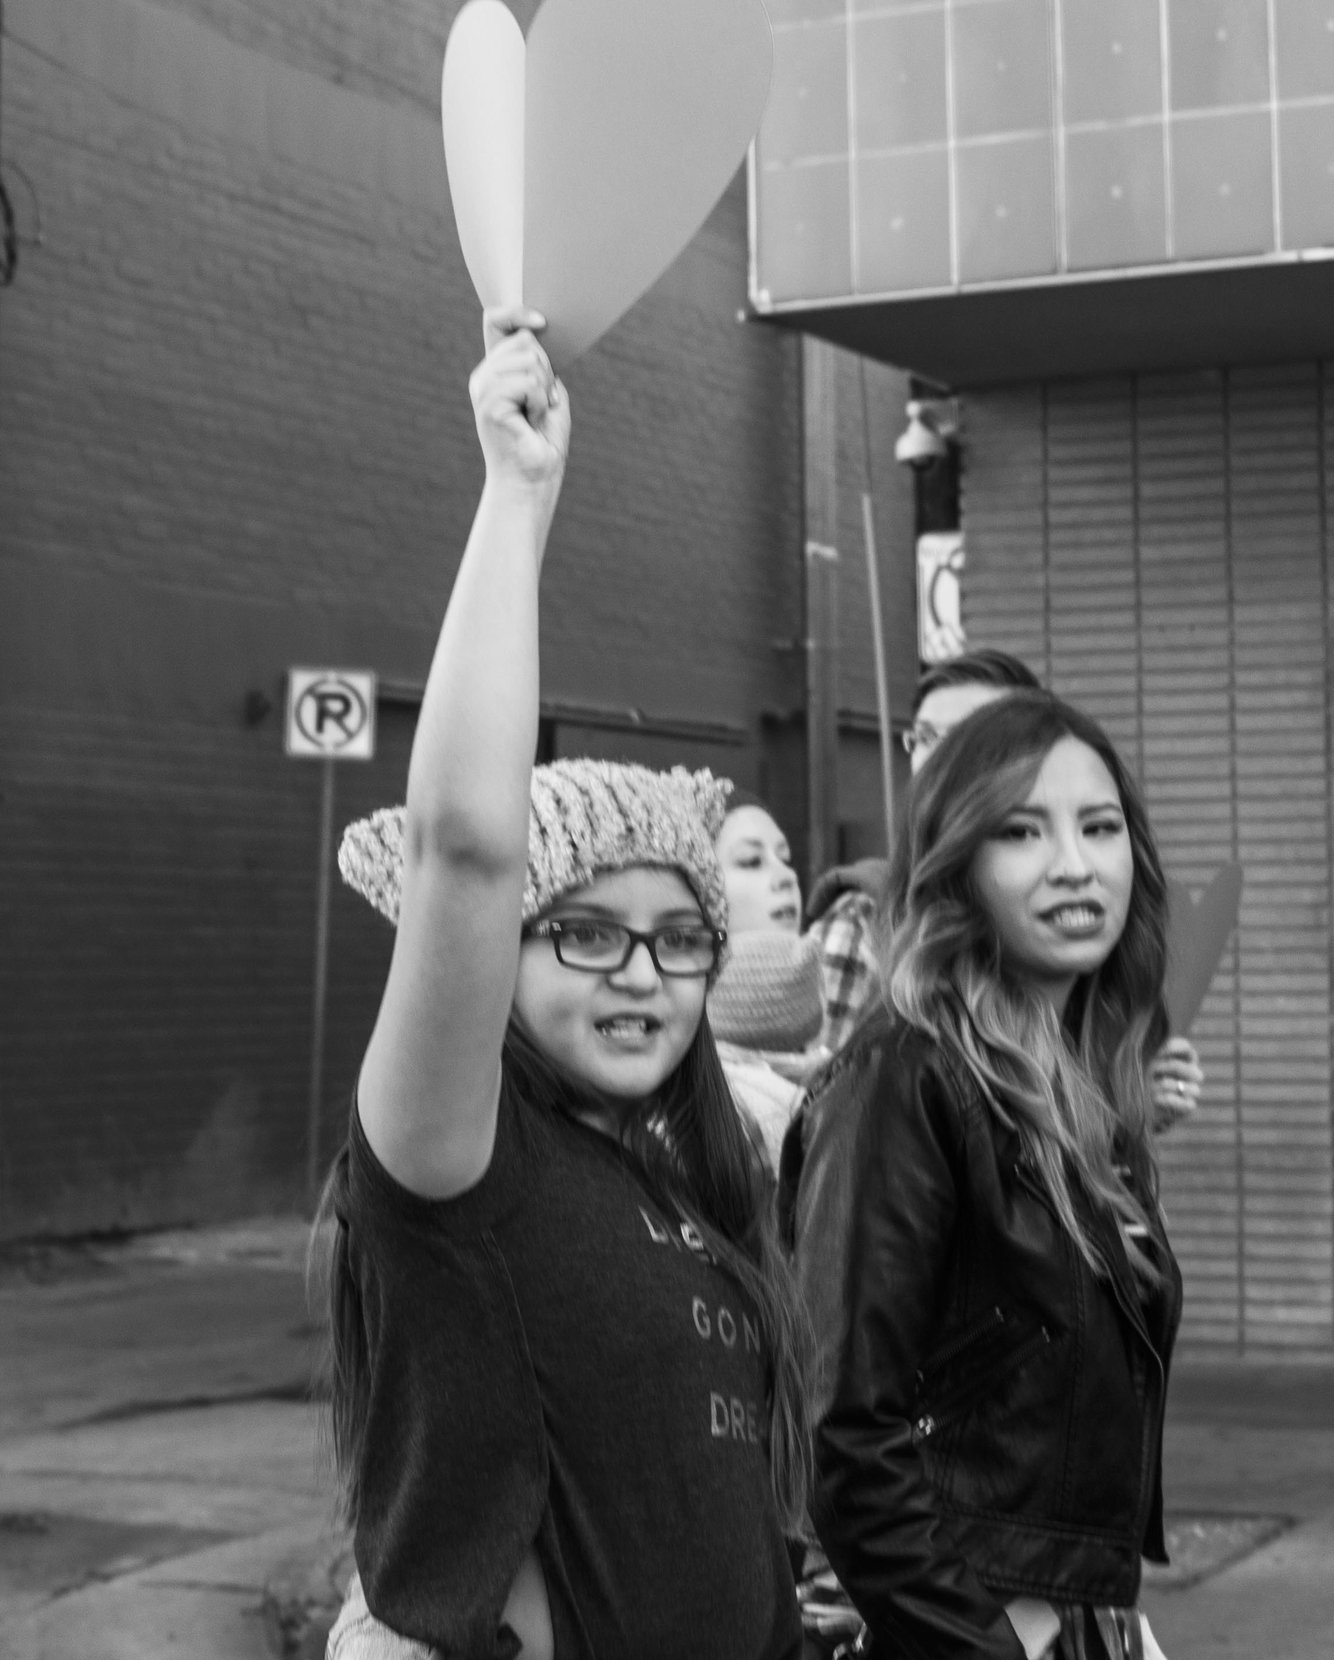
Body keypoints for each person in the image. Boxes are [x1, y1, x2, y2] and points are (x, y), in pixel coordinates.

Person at [315, 315, 809, 1658]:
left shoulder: (686, 1181)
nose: (642, 974)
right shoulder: (458, 1173)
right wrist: (515, 499)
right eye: (587, 935)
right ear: (505, 955)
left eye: (679, 938)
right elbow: (465, 853)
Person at [789, 692, 1182, 1660]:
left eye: (1099, 826)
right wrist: (982, 1645)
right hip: (945, 1623)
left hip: (1077, 1610)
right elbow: (843, 1429)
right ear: (955, 865)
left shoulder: (1084, 1082)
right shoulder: (902, 1079)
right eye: (1020, 830)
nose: (1074, 865)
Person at [806, 649, 1203, 1128]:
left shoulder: (1088, 985)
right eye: (928, 738)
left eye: (1099, 827)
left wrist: (1125, 1113)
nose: (1074, 869)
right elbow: (825, 1102)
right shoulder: (899, 1059)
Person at [710, 795, 827, 1166]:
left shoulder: (838, 1069)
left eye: (785, 858)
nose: (786, 877)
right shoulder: (701, 1100)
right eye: (751, 861)